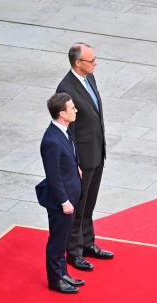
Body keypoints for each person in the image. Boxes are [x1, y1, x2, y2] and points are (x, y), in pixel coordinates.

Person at [56, 42, 113, 272]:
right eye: (91, 60)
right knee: (78, 206)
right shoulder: (65, 89)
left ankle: (88, 243)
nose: (95, 63)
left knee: (89, 203)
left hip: (96, 152)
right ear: (78, 63)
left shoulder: (89, 78)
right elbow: (67, 129)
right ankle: (74, 252)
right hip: (82, 159)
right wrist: (74, 162)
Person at [36, 93, 85, 294]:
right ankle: (55, 280)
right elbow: (53, 176)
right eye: (72, 108)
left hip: (71, 194)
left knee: (63, 239)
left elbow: (69, 156)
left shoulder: (64, 131)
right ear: (61, 114)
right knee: (57, 241)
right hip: (61, 201)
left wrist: (76, 167)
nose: (76, 110)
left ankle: (63, 273)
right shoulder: (52, 141)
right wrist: (64, 200)